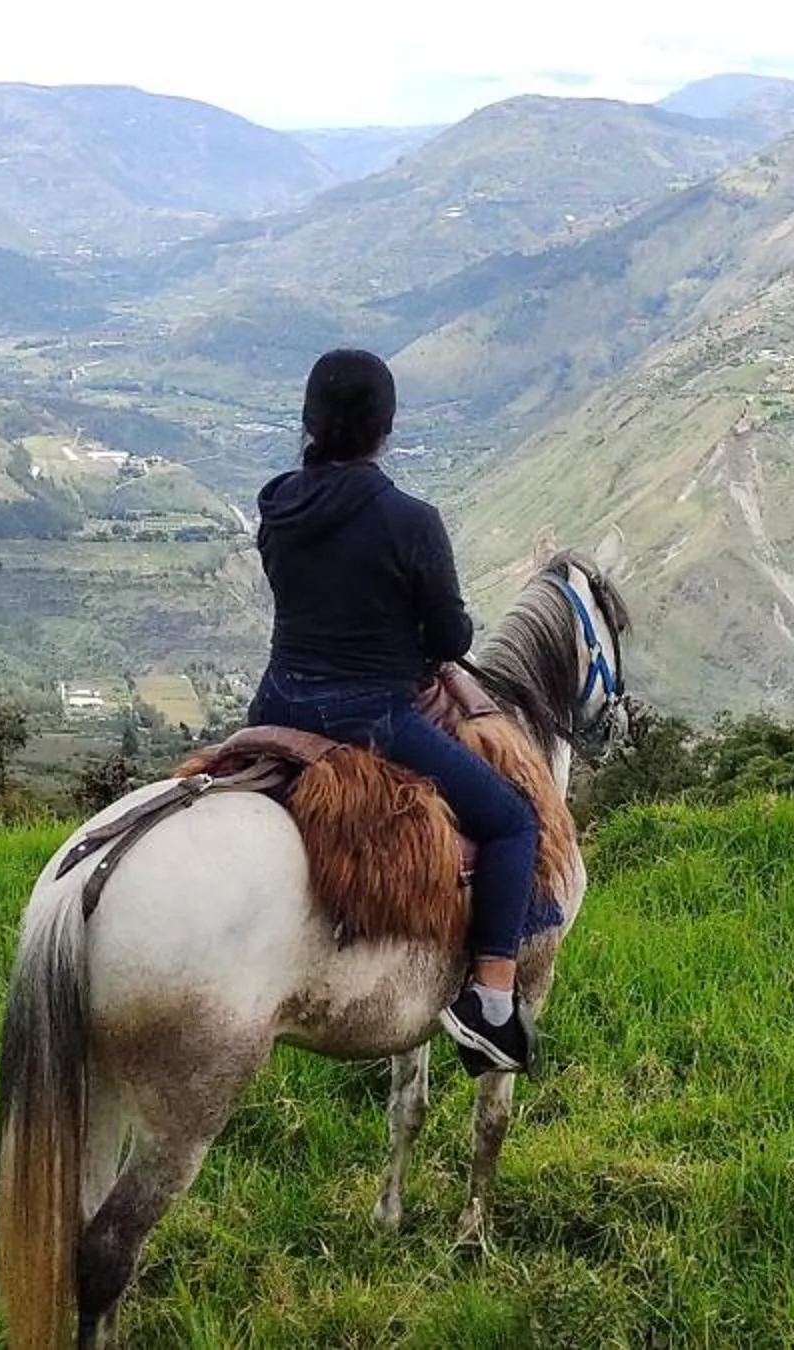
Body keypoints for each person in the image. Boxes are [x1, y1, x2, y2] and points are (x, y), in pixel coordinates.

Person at [247, 348, 541, 1075]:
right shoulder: (410, 519)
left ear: (310, 422)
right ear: (386, 428)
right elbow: (450, 638)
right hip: (370, 715)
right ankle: (492, 1002)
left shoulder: (277, 503)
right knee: (512, 821)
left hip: (277, 701)